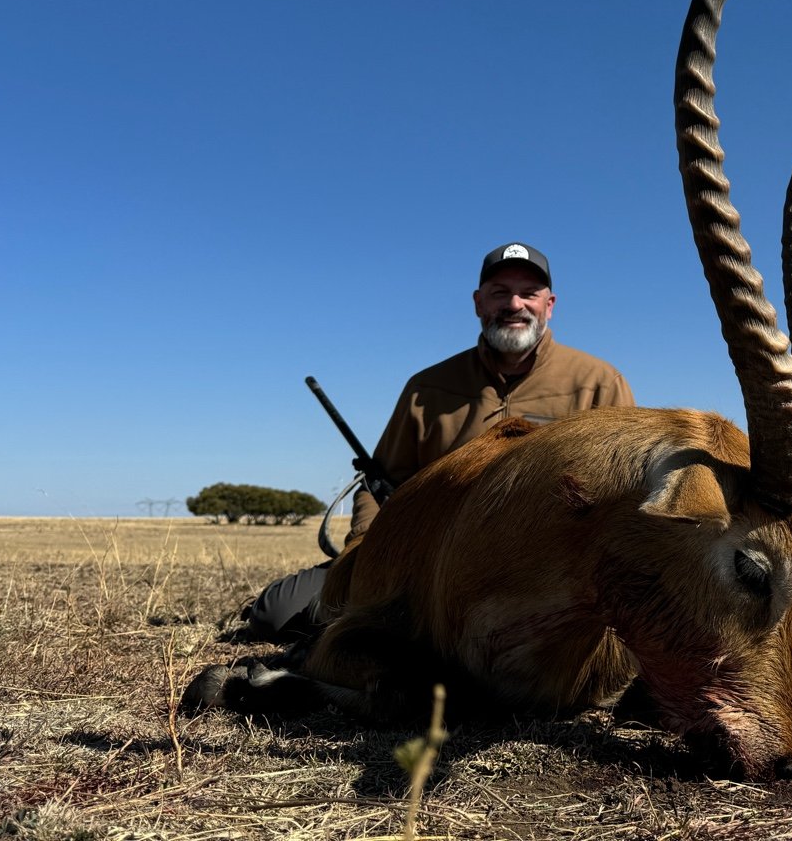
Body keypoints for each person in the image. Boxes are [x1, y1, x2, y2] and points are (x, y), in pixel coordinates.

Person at [242, 241, 633, 640]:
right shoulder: (426, 386)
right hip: (425, 558)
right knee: (277, 615)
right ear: (479, 303)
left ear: (549, 305)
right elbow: (380, 482)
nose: (514, 304)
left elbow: (624, 499)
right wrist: (365, 547)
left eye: (528, 293)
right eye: (499, 292)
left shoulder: (600, 383)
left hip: (544, 567)